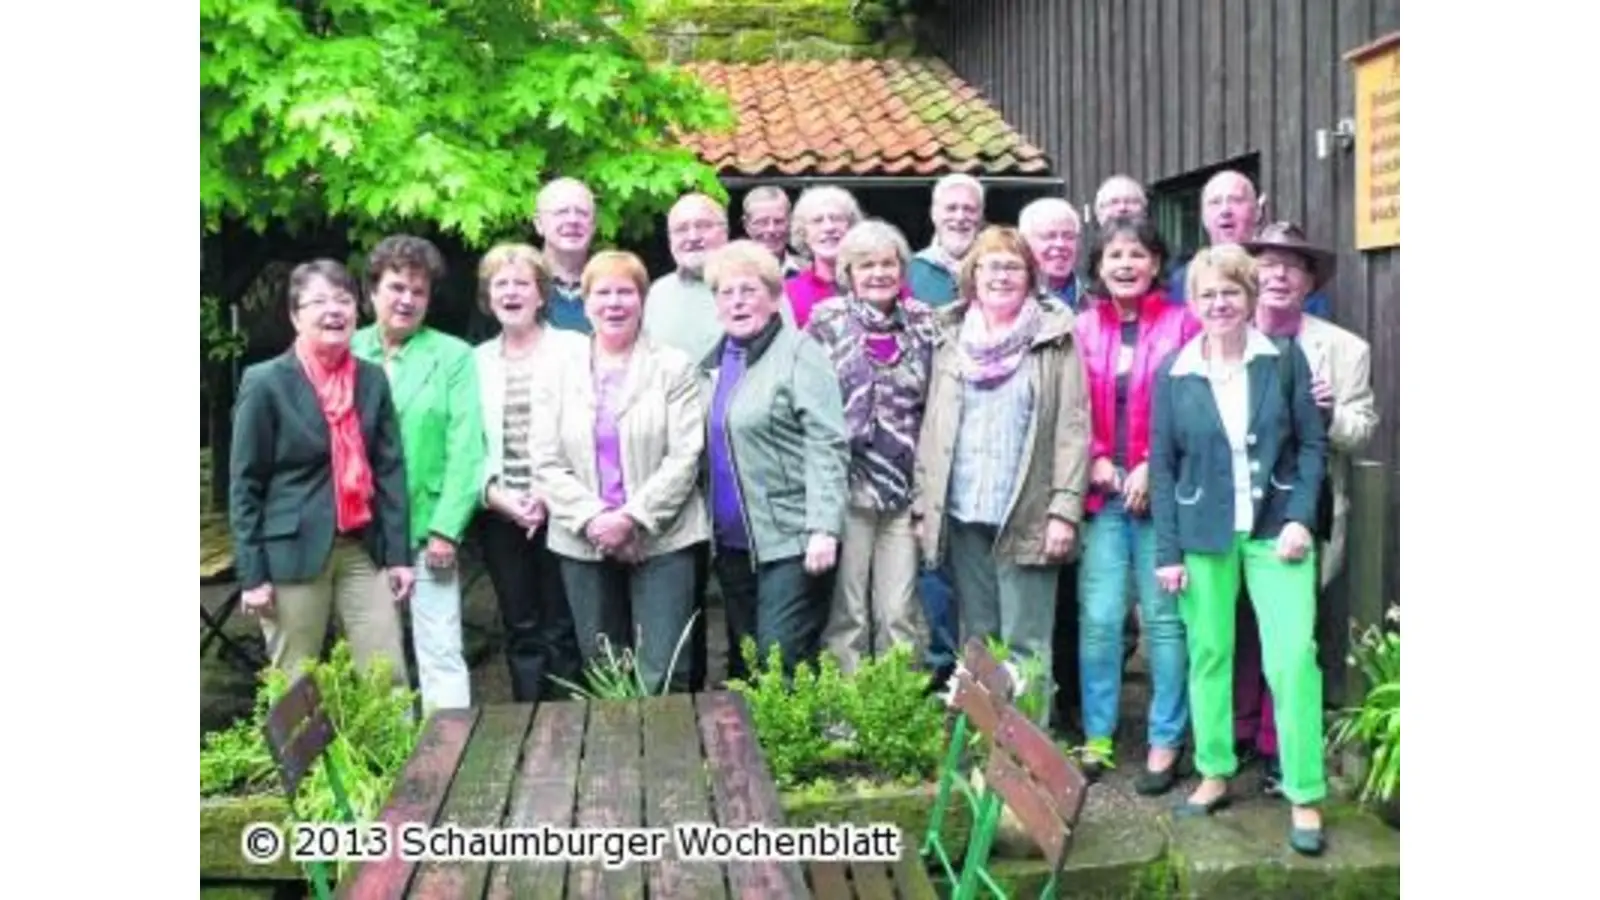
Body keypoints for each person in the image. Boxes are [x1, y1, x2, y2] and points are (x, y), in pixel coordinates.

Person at [1149, 243, 1329, 855]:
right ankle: (1214, 770)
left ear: (1250, 298)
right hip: (1201, 534)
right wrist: (1167, 553)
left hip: (1278, 531)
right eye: (1209, 294)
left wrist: (1301, 518)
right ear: (1193, 303)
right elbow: (1163, 469)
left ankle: (1304, 791)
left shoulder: (1283, 359)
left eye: (1231, 291)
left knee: (1293, 659)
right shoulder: (1173, 372)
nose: (1220, 303)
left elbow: (1311, 446)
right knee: (1209, 654)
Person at [913, 226, 1091, 725]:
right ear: (972, 276)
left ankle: (1028, 749)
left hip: (1028, 511)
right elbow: (932, 425)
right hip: (965, 508)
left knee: (1026, 643)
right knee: (979, 637)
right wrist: (924, 505)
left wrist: (1064, 509)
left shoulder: (1055, 338)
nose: (1001, 276)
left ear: (1031, 278)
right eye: (991, 266)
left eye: (1013, 267)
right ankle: (985, 738)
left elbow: (1073, 427)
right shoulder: (949, 337)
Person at [1233, 221, 1379, 793]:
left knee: (1292, 635)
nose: (1278, 275)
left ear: (1310, 281)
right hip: (1234, 506)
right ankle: (1238, 732)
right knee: (1237, 626)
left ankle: (1280, 746)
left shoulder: (1345, 349)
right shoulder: (1224, 333)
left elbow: (1361, 429)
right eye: (1268, 264)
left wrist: (1327, 413)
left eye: (1292, 267)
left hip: (1302, 510)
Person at [529, 251, 710, 694]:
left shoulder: (673, 366)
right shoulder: (556, 370)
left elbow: (686, 454)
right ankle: (614, 745)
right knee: (604, 668)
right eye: (603, 293)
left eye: (625, 292)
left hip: (664, 537)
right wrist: (596, 520)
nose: (614, 303)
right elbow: (545, 460)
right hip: (581, 538)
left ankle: (669, 743)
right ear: (586, 302)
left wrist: (631, 519)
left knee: (663, 670)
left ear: (642, 300)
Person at [229, 259, 413, 687]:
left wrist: (399, 556)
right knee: (296, 680)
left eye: (343, 300)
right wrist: (253, 575)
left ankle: (390, 738)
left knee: (386, 673)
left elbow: (389, 472)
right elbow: (245, 485)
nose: (334, 310)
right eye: (319, 301)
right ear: (296, 316)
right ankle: (302, 740)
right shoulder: (265, 382)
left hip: (363, 545)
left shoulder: (371, 379)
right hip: (291, 551)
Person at [1072, 216, 1199, 788]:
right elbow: (1070, 408)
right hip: (1103, 498)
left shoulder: (1183, 323)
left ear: (1156, 264)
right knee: (1100, 621)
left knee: (1165, 623)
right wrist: (1096, 457)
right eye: (1114, 255)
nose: (1126, 264)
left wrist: (1152, 462)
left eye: (1137, 254)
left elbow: (1195, 406)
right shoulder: (1081, 328)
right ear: (1099, 267)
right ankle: (1098, 735)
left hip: (1163, 498)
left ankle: (1165, 738)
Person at [701, 240, 850, 678]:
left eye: (749, 290)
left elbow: (828, 442)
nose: (738, 301)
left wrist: (824, 527)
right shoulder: (714, 362)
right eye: (726, 292)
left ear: (773, 297)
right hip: (732, 543)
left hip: (792, 537)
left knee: (779, 655)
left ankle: (800, 727)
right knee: (749, 663)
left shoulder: (800, 353)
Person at [352, 235, 485, 714]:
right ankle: (389, 750)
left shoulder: (453, 356)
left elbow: (466, 448)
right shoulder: (347, 349)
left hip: (429, 525)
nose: (407, 299)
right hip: (361, 532)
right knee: (375, 656)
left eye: (419, 291)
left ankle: (448, 751)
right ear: (372, 291)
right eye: (396, 287)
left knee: (441, 649)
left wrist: (446, 528)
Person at [805, 220, 937, 674]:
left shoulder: (924, 322)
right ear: (848, 272)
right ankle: (848, 705)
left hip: (905, 489)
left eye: (887, 264)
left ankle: (898, 703)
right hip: (846, 487)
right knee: (849, 612)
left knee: (898, 611)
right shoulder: (826, 322)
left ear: (902, 269)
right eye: (866, 265)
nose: (879, 273)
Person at [472, 242, 586, 703]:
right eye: (501, 284)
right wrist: (499, 497)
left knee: (563, 625)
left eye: (522, 283)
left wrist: (547, 492)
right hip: (501, 513)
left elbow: (585, 427)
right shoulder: (475, 361)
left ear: (541, 294)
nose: (511, 292)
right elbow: (467, 443)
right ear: (489, 297)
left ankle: (573, 724)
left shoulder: (574, 349)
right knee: (520, 626)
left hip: (562, 509)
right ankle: (529, 724)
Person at [1167, 171, 1331, 319]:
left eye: (1236, 200)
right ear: (1203, 217)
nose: (1225, 210)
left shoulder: (1284, 278)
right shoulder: (1181, 281)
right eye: (1215, 202)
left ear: (1258, 212)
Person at [643, 193, 737, 364]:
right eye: (681, 229)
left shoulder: (754, 287)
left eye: (703, 226)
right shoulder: (658, 293)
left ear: (725, 231)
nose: (693, 237)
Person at [784, 186, 865, 329]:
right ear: (803, 233)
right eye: (817, 220)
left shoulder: (878, 283)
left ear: (852, 227)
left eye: (837, 218)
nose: (829, 228)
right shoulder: (789, 294)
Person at [907, 174, 985, 306]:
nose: (960, 217)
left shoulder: (998, 269)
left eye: (969, 209)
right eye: (951, 208)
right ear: (934, 214)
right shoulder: (911, 270)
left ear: (981, 216)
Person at [533, 177, 599, 333]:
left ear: (594, 225)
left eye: (582, 213)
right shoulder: (519, 286)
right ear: (539, 223)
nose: (573, 220)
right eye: (561, 212)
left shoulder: (612, 285)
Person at [741, 186, 804, 277]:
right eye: (762, 222)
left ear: (790, 222)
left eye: (779, 221)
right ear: (746, 225)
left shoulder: (808, 272)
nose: (771, 229)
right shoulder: (730, 272)